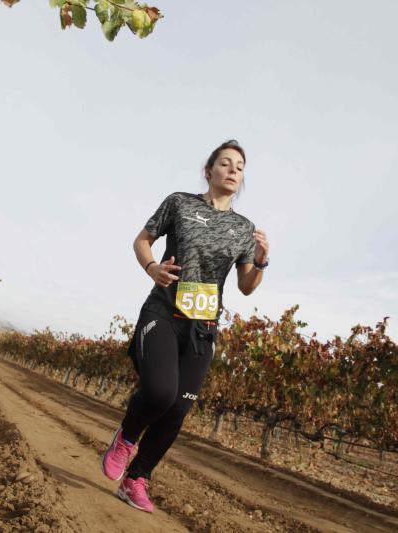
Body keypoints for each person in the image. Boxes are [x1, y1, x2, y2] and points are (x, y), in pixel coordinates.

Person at [101, 139, 269, 512]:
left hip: (203, 326)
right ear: (208, 171)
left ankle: (137, 479)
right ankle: (126, 438)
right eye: (225, 163)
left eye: (239, 167)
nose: (232, 170)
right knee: (160, 392)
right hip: (163, 312)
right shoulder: (180, 203)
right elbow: (142, 240)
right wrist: (152, 268)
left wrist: (259, 263)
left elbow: (245, 286)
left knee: (178, 409)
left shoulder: (244, 228)